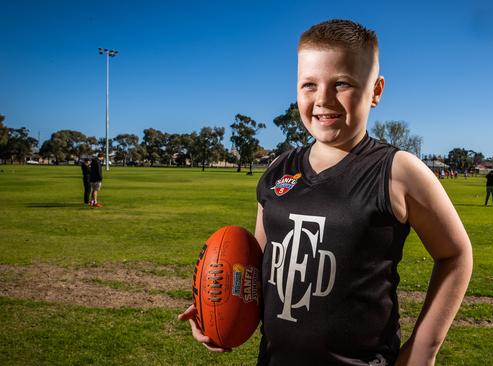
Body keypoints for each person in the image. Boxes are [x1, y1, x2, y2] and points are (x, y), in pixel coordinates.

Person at [178, 19, 473, 365]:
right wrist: (218, 310)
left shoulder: (397, 171)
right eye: (309, 85)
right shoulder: (278, 170)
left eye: (342, 84)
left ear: (376, 91)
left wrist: (422, 352)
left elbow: (456, 255)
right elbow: (258, 268)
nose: (323, 99)